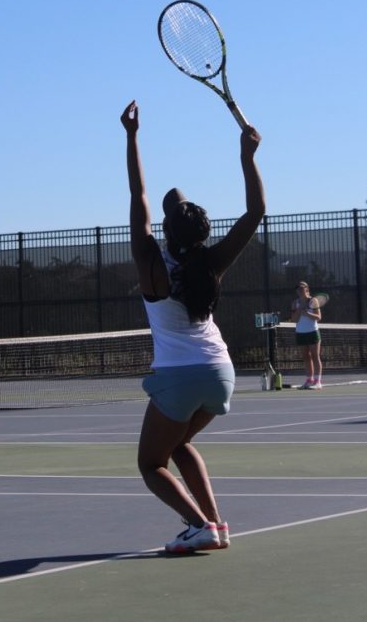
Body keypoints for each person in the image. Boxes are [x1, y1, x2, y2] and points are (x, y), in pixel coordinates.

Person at [120, 99, 265, 553]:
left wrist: (131, 135)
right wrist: (247, 157)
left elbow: (138, 196)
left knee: (150, 463)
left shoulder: (149, 261)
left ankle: (198, 523)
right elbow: (255, 211)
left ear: (166, 231)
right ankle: (216, 525)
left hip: (180, 376)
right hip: (221, 372)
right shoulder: (212, 263)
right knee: (181, 445)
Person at [290, 282, 322, 389]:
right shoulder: (295, 303)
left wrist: (307, 313)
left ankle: (317, 382)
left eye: (301, 288)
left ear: (307, 289)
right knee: (306, 357)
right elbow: (294, 320)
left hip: (312, 332)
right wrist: (300, 310)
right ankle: (309, 380)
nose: (299, 290)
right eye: (297, 289)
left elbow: (318, 317)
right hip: (300, 332)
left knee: (315, 356)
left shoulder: (313, 301)